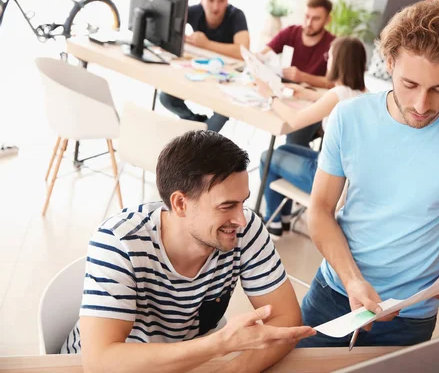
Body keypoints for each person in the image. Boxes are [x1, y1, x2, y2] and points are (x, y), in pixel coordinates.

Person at [299, 0, 439, 348]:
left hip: (412, 315)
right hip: (334, 295)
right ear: (389, 62)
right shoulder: (348, 118)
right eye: (410, 84)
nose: (422, 105)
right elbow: (319, 210)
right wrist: (352, 282)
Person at [60, 130, 315, 372]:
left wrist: (233, 370)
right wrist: (219, 344)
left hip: (185, 363)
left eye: (243, 202)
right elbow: (100, 362)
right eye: (227, 206)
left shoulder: (244, 231)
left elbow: (287, 318)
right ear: (181, 203)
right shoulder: (119, 242)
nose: (242, 219)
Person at [256, 37, 367, 237]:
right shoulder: (364, 94)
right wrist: (305, 92)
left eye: (329, 56)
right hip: (345, 177)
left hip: (326, 178)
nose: (327, 60)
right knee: (281, 151)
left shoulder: (338, 94)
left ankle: (274, 221)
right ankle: (284, 218)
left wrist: (270, 96)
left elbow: (295, 121)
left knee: (267, 157)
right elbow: (331, 98)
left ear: (338, 62)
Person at [159, 0, 249, 132]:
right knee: (166, 97)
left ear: (227, 0)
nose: (216, 7)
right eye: (211, 0)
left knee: (223, 112)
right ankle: (195, 123)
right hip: (198, 74)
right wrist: (182, 39)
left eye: (221, 1)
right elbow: (167, 28)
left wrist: (206, 44)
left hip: (225, 81)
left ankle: (202, 139)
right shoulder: (194, 11)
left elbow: (243, 52)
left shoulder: (236, 15)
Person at [261, 0, 336, 147]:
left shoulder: (333, 44)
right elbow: (263, 54)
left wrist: (302, 76)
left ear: (327, 20)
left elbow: (332, 82)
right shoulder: (291, 32)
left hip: (314, 103)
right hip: (288, 93)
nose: (309, 23)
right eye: (307, 16)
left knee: (294, 139)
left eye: (316, 18)